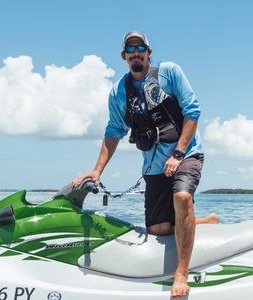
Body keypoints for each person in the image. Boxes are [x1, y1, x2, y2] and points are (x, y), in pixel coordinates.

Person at [73, 31, 214, 297]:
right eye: (130, 48)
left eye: (141, 47)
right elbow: (113, 132)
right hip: (154, 167)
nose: (136, 52)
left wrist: (179, 153)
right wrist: (96, 171)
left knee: (182, 197)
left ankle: (181, 273)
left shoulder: (169, 73)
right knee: (157, 229)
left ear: (149, 52)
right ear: (124, 56)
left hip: (187, 154)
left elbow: (193, 112)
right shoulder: (119, 92)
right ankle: (200, 222)